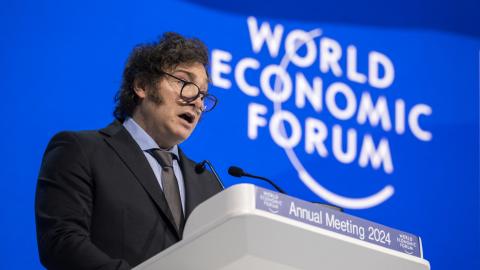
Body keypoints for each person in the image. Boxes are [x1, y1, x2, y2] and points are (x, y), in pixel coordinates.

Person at [35, 32, 223, 270]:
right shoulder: (80, 151)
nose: (197, 101)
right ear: (142, 85)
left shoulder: (209, 184)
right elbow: (62, 242)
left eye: (203, 94)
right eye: (185, 82)